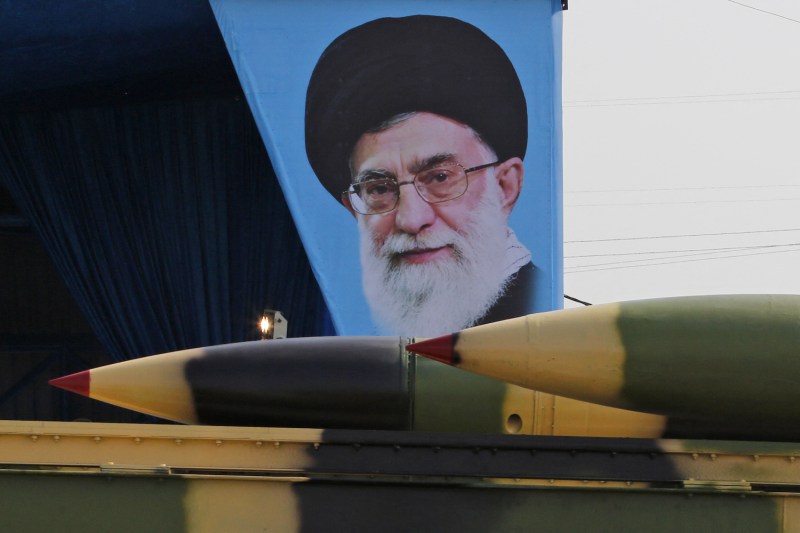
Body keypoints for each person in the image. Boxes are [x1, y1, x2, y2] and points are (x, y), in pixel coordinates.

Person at [305, 15, 533, 337]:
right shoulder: (358, 346)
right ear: (354, 209)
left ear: (504, 186)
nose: (411, 220)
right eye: (380, 188)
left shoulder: (540, 332)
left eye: (439, 178)